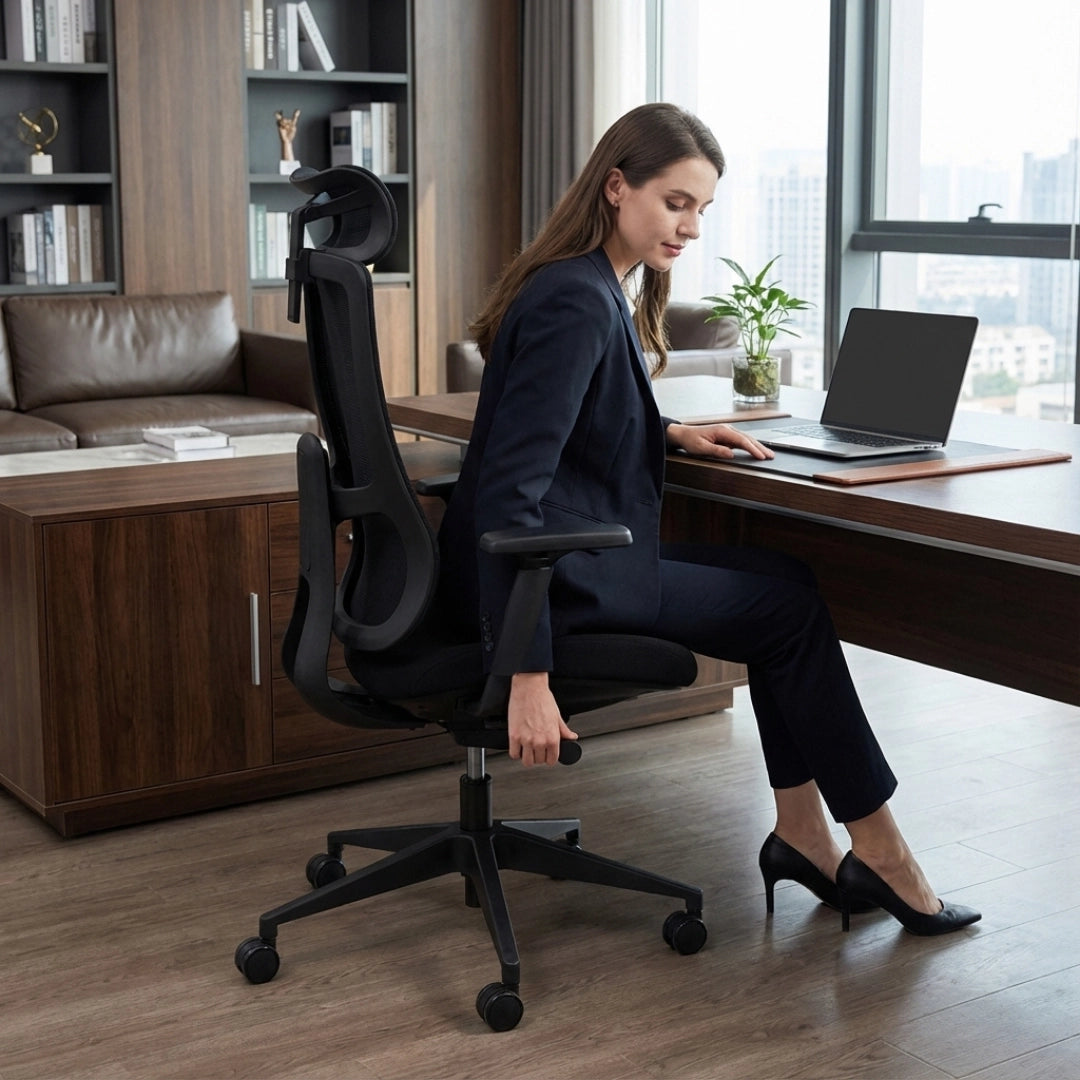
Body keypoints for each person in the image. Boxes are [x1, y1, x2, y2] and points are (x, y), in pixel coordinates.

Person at [436, 103, 980, 937]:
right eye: (675, 201)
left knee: (787, 581)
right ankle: (883, 852)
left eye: (702, 210)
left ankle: (803, 831)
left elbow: (564, 421)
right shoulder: (577, 300)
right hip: (557, 582)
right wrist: (527, 672)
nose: (689, 227)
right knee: (789, 612)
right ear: (617, 187)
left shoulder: (587, 284)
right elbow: (511, 494)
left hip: (568, 561)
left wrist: (669, 431)